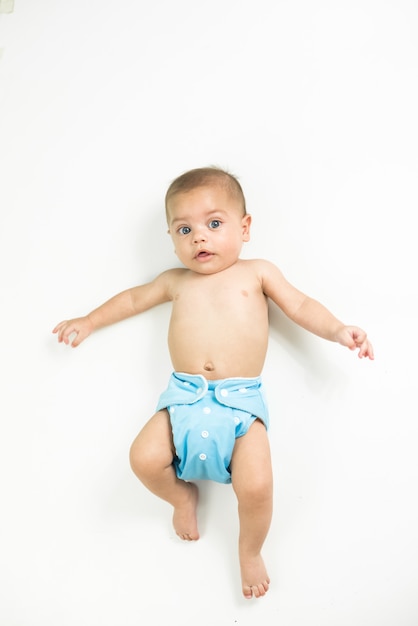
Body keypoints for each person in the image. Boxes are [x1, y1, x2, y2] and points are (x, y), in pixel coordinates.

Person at [53, 166, 374, 600]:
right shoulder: (175, 281)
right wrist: (89, 320)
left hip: (240, 408)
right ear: (171, 237)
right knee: (143, 459)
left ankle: (250, 550)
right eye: (185, 229)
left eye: (214, 223)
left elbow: (299, 304)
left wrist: (338, 330)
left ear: (245, 228)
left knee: (257, 486)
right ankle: (181, 499)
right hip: (182, 401)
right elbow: (132, 299)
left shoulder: (258, 273)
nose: (199, 237)